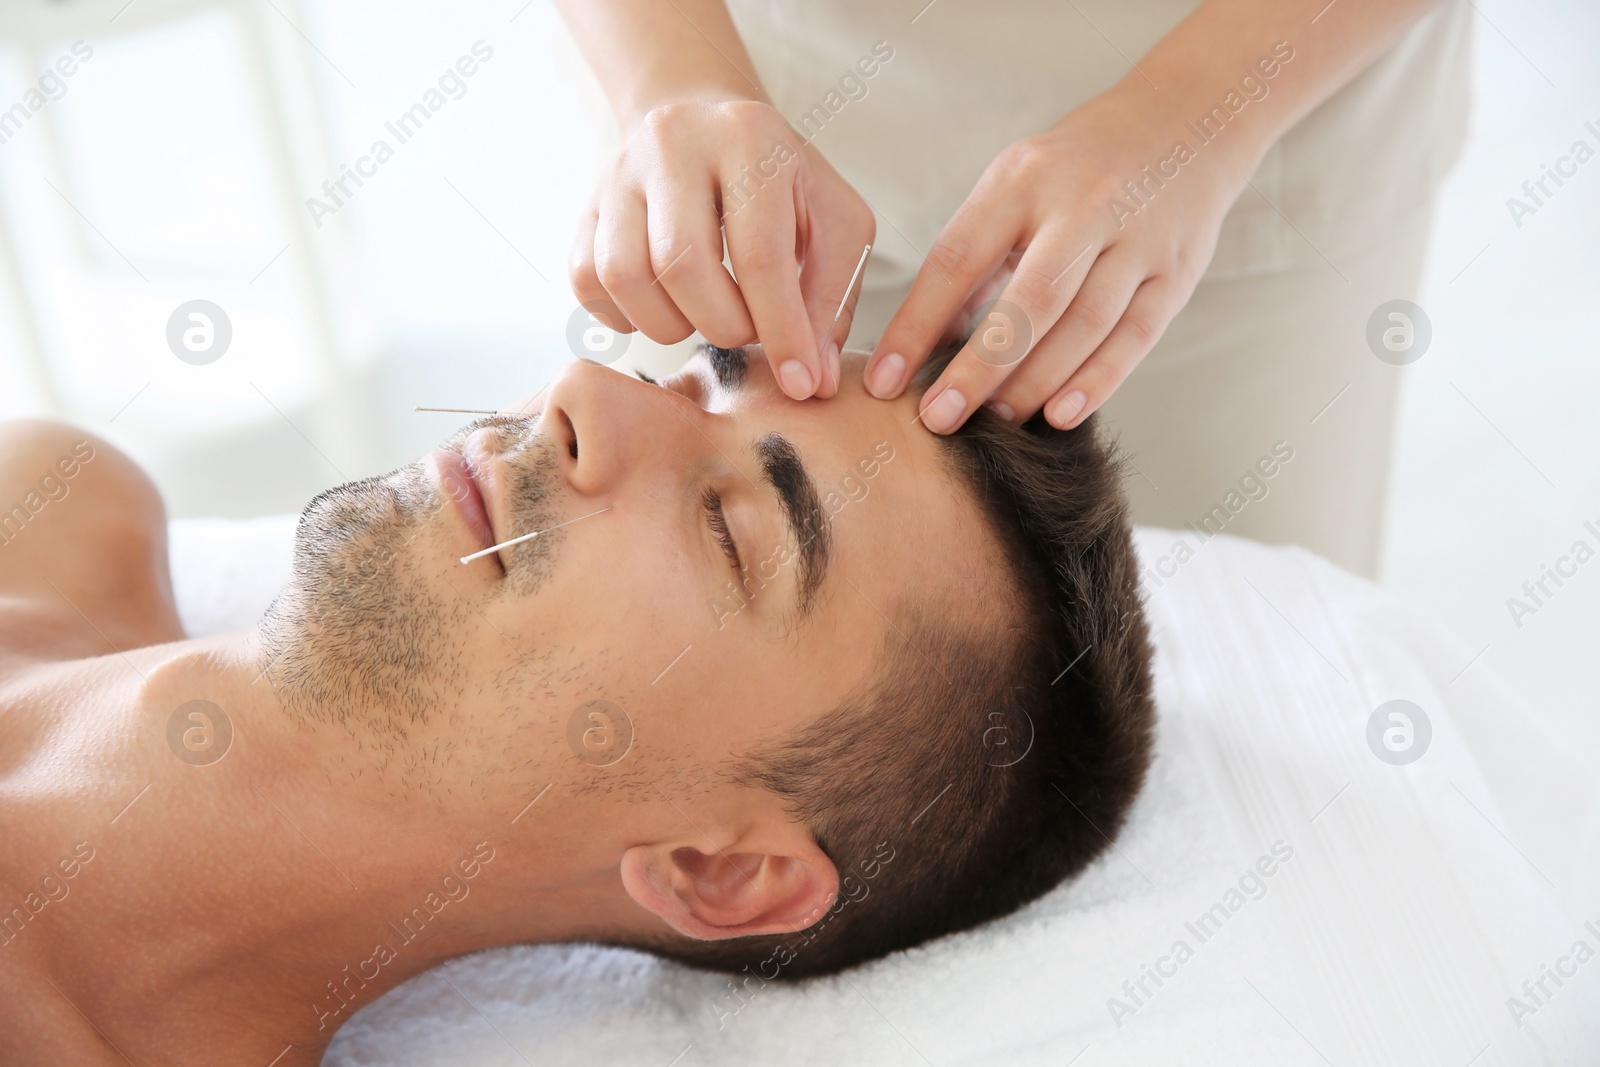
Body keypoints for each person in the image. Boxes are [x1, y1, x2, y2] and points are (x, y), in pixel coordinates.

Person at [0, 344, 1154, 1065]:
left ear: (719, 869)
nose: (584, 391)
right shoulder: (57, 498)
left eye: (728, 527)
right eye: (683, 379)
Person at [554, 0, 1472, 576]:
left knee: (1246, 640)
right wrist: (673, 81)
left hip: (1267, 94)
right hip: (755, 97)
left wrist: (1197, 110)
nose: (573, 404)